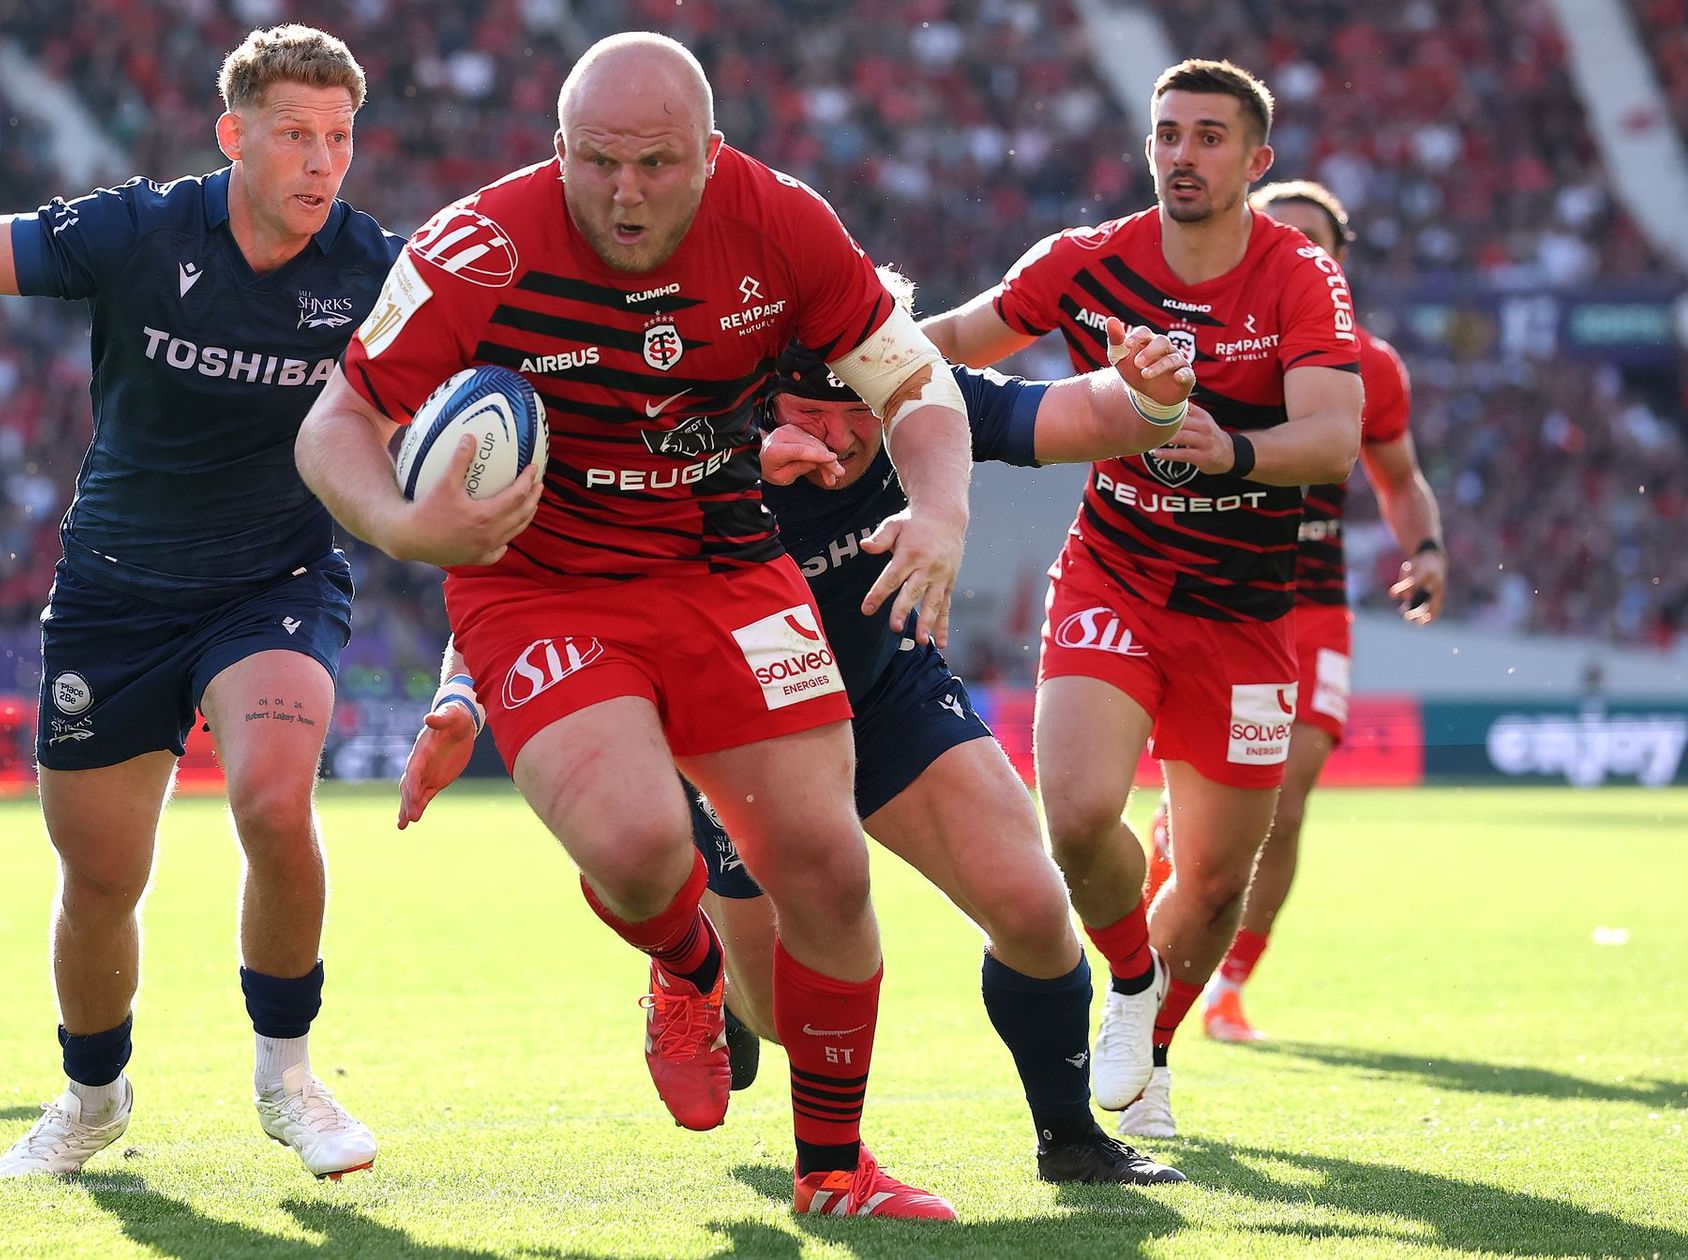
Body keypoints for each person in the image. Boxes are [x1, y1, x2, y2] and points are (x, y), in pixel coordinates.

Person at [301, 32, 982, 1219]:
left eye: (657, 165)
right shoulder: (479, 246)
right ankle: (689, 972)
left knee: (825, 868)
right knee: (632, 844)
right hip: (541, 584)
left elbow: (913, 378)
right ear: (557, 146)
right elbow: (336, 424)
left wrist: (941, 509)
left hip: (727, 567)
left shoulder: (784, 224)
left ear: (710, 154)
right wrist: (407, 530)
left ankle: (833, 1171)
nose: (624, 192)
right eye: (599, 162)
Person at [401, 297, 1207, 1186]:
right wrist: (460, 695)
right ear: (766, 390)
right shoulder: (695, 430)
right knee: (785, 1015)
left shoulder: (917, 395)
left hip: (883, 694)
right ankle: (699, 974)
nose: (840, 433)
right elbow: (535, 574)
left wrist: (1149, 396)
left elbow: (1079, 413)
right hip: (732, 732)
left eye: (857, 406)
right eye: (809, 412)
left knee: (1032, 907)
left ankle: (1073, 1142)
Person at [0, 25, 396, 1179]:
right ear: (233, 136)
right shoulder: (139, 228)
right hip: (115, 593)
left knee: (273, 803)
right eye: (296, 135)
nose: (322, 162)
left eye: (340, 138)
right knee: (103, 876)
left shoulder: (375, 269)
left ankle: (290, 1081)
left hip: (276, 583)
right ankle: (92, 1100)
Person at [924, 58, 1364, 1140]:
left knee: (1212, 880)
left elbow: (1336, 438)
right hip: (1114, 575)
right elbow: (941, 348)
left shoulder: (1299, 274)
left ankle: (1152, 1047)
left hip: (1249, 613)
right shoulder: (1085, 262)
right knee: (1074, 818)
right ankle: (1129, 981)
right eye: (1169, 133)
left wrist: (1234, 448)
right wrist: (823, 367)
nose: (1183, 154)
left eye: (1210, 137)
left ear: (1256, 163)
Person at [1142, 179, 1449, 1044]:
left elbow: (1399, 478)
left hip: (1308, 598)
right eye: (1282, 234)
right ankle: (1179, 879)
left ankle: (1230, 981)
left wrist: (1426, 549)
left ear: (1339, 264)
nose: (1297, 252)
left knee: (1291, 787)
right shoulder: (1200, 339)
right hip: (1198, 584)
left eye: (1316, 242)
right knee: (1218, 810)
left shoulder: (1371, 366)